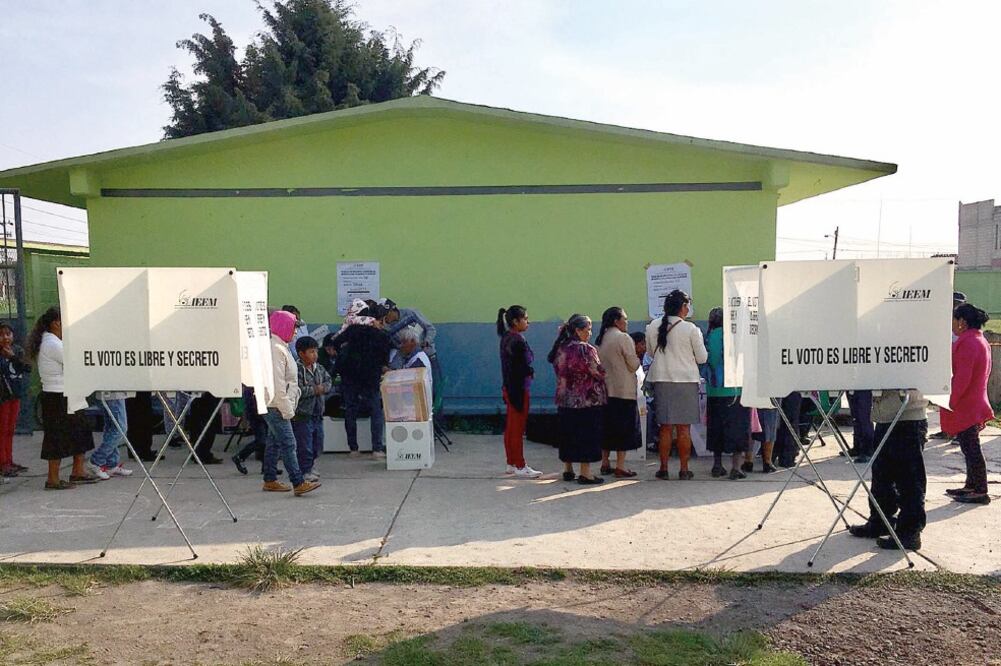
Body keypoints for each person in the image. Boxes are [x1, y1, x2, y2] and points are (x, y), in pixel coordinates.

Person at [27, 307, 100, 490]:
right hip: (57, 396)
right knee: (56, 437)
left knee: (80, 431)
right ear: (56, 323)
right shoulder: (52, 343)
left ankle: (78, 471)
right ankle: (52, 479)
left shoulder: (53, 341)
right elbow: (74, 361)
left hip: (66, 394)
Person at [849, 389, 929, 550]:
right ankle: (881, 521)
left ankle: (910, 532)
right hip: (884, 415)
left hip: (908, 414)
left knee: (909, 480)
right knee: (881, 476)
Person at [645, 290, 708, 480]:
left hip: (662, 380)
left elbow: (649, 352)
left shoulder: (652, 327)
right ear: (683, 307)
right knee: (683, 428)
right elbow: (702, 358)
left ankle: (663, 468)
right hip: (686, 382)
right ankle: (683, 469)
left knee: (665, 427)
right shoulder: (691, 329)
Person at [262, 309, 320, 496]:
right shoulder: (276, 350)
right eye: (294, 327)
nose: (295, 332)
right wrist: (287, 408)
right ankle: (298, 482)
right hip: (277, 404)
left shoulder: (280, 347)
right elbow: (278, 383)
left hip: (277, 403)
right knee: (289, 443)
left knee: (274, 443)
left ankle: (270, 479)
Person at [941, 303, 993, 505]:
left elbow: (962, 378)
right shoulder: (977, 340)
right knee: (968, 447)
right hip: (973, 401)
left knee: (971, 448)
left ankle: (980, 489)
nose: (952, 324)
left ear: (962, 322)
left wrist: (949, 401)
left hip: (968, 405)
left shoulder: (969, 343)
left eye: (954, 320)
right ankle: (972, 485)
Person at [549, 314, 607, 485]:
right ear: (578, 330)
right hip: (586, 400)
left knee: (568, 434)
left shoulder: (561, 348)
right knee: (586, 435)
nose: (590, 333)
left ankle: (568, 468)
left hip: (564, 398)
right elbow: (597, 371)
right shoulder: (586, 349)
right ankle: (586, 473)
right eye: (587, 330)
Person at [331, 303, 392, 458]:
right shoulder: (382, 335)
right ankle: (377, 448)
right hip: (371, 375)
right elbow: (386, 357)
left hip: (350, 375)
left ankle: (353, 448)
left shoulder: (352, 330)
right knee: (375, 409)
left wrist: (345, 352)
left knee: (350, 409)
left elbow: (336, 342)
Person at [705, 307, 751, 480]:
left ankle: (717, 465)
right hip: (734, 390)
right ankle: (736, 467)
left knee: (716, 427)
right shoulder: (733, 336)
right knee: (737, 428)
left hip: (713, 390)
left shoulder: (708, 337)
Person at [497, 306, 542, 479]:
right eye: (525, 318)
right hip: (518, 389)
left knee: (511, 427)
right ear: (515, 322)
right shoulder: (517, 340)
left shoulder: (506, 338)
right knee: (517, 428)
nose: (528, 322)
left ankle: (511, 462)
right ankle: (520, 465)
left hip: (509, 388)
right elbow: (520, 366)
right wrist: (530, 371)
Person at [596, 307, 640, 478]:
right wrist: (638, 356)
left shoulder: (602, 338)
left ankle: (605, 462)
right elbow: (633, 364)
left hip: (606, 389)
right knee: (624, 429)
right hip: (623, 390)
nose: (627, 322)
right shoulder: (623, 338)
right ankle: (620, 466)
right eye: (625, 319)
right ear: (616, 320)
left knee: (607, 428)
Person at [293, 336, 332, 483]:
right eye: (311, 352)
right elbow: (297, 390)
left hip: (318, 413)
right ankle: (305, 470)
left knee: (318, 442)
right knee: (305, 444)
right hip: (303, 414)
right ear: (301, 353)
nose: (315, 355)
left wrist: (324, 388)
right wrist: (315, 390)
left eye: (315, 351)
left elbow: (328, 381)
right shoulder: (296, 370)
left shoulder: (319, 368)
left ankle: (311, 464)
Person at [931, 291, 968, 440]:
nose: (954, 306)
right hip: (945, 362)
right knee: (944, 399)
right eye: (953, 303)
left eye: (957, 303)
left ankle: (960, 431)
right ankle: (946, 429)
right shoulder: (942, 319)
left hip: (959, 362)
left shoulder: (965, 322)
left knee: (960, 400)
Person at [0, 323, 30, 478]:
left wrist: (12, 357)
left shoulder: (17, 351)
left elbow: (27, 367)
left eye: (8, 334)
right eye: (2, 334)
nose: (5, 337)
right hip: (3, 397)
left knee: (10, 430)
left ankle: (9, 461)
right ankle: (3, 463)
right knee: (2, 430)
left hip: (15, 395)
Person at [86, 395, 133, 480]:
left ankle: (111, 464)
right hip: (113, 392)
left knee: (111, 427)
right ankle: (96, 461)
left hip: (110, 392)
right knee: (119, 428)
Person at [231, 385, 273, 476]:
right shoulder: (251, 383)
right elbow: (250, 401)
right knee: (262, 440)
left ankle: (266, 466)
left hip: (261, 411)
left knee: (265, 439)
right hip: (256, 413)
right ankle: (240, 456)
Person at [845, 391, 875, 463]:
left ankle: (868, 451)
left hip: (863, 386)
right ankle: (857, 447)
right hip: (852, 385)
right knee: (855, 417)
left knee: (864, 417)